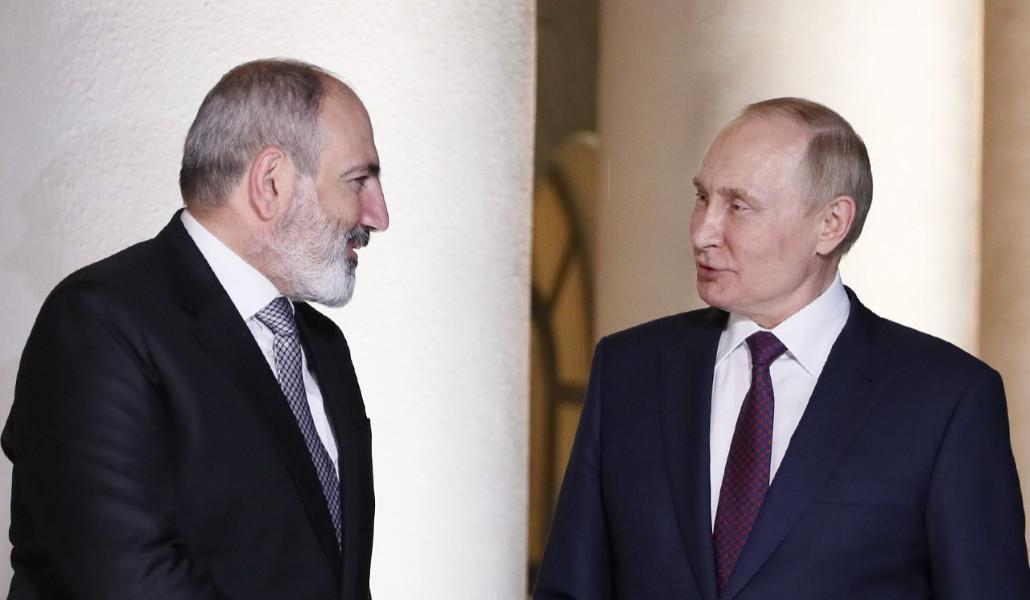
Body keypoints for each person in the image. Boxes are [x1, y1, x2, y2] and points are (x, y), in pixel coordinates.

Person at [534, 97, 1030, 599]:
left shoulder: (945, 399)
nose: (703, 232)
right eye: (702, 197)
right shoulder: (629, 370)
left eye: (738, 206)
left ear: (830, 224)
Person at [3, 58, 388, 599]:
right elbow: (126, 579)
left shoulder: (325, 346)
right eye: (359, 180)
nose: (378, 215)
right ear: (271, 183)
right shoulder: (96, 323)